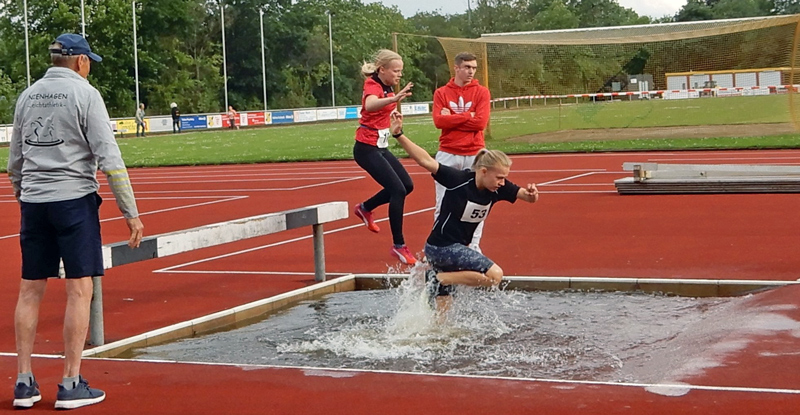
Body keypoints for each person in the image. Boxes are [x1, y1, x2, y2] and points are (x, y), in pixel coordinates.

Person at [7, 33, 145, 410]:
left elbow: (14, 161)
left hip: (34, 202)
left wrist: (25, 194)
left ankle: (23, 381)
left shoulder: (27, 96)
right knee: (79, 288)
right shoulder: (85, 94)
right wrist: (130, 212)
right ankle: (70, 382)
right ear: (81, 62)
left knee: (30, 288)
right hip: (73, 201)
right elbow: (109, 157)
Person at [389, 112, 538, 310]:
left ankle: (437, 313)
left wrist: (532, 194)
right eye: (499, 177)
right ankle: (441, 277)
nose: (502, 182)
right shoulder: (458, 180)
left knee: (441, 317)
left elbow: (526, 197)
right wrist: (399, 135)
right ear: (483, 172)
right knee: (495, 275)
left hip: (456, 249)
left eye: (504, 178)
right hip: (440, 247)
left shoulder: (498, 188)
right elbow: (425, 161)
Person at [351, 49, 417, 265]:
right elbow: (369, 104)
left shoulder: (387, 87)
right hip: (366, 149)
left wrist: (393, 116)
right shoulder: (373, 85)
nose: (399, 75)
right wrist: (395, 99)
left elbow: (380, 110)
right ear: (382, 70)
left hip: (380, 146)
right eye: (396, 71)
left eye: (401, 71)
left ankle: (365, 207)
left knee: (407, 185)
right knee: (397, 190)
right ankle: (399, 246)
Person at [432, 51, 491, 252]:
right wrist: (469, 116)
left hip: (475, 153)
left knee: (478, 202)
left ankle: (473, 246)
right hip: (448, 152)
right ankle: (439, 243)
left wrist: (453, 118)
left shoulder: (481, 92)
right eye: (467, 67)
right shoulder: (441, 93)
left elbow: (481, 122)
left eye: (473, 68)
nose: (471, 71)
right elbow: (439, 121)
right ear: (456, 68)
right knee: (442, 203)